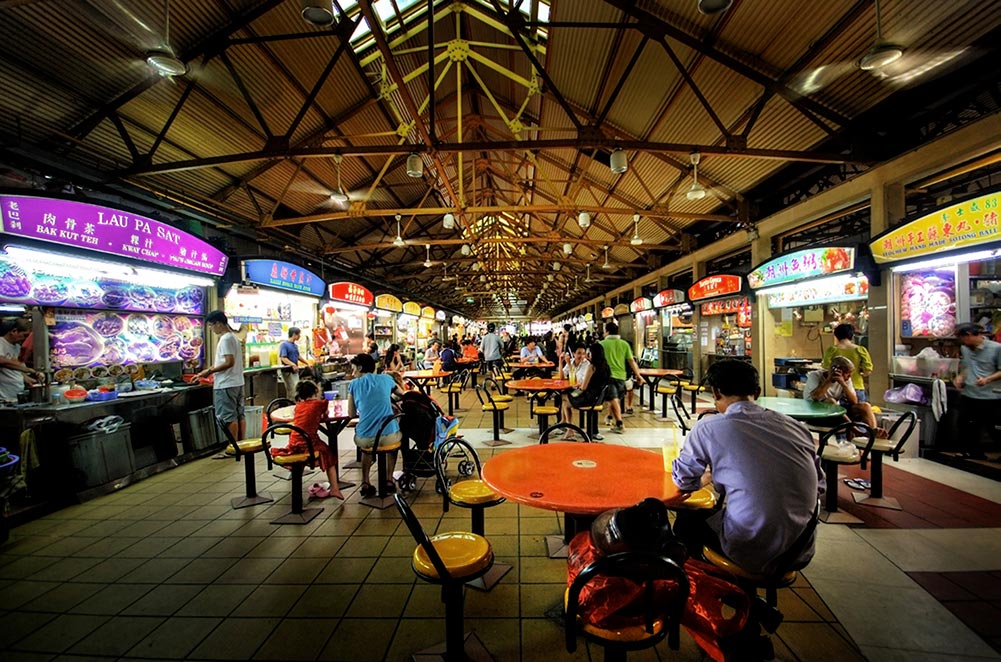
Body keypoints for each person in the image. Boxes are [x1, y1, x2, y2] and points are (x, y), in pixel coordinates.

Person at [665, 359, 823, 576]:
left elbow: (683, 481)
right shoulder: (796, 428)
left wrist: (707, 477)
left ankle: (700, 586)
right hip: (799, 550)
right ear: (757, 392)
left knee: (687, 521)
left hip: (751, 550)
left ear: (716, 393)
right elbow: (819, 486)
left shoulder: (709, 428)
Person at [270, 379, 343, 500]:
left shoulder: (298, 406)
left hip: (294, 442)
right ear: (316, 391)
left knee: (300, 461)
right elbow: (325, 414)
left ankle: (297, 491)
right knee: (330, 457)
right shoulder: (320, 403)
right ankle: (335, 489)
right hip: (309, 442)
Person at [348, 353, 405, 497]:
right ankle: (388, 479)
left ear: (360, 368)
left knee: (367, 449)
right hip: (389, 436)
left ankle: (365, 481)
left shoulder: (353, 385)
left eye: (353, 369)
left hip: (365, 438)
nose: (352, 372)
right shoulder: (386, 379)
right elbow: (402, 394)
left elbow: (351, 414)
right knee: (394, 445)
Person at [953, 323, 1001, 460]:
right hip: (969, 393)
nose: (962, 342)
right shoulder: (965, 349)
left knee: (993, 427)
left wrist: (987, 379)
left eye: (962, 338)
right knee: (966, 425)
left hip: (991, 396)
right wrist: (960, 377)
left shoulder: (997, 349)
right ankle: (972, 452)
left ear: (969, 335)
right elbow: (967, 367)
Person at [197, 311, 245, 442]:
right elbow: (223, 362)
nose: (211, 329)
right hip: (237, 382)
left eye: (211, 325)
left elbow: (229, 362)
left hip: (226, 384)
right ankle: (240, 444)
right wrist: (207, 371)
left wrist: (209, 372)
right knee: (239, 415)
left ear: (218, 323)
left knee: (228, 417)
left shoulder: (225, 339)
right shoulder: (233, 337)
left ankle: (232, 447)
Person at [803, 356, 881, 432]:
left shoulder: (846, 379)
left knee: (865, 406)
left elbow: (854, 401)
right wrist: (829, 380)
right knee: (831, 401)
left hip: (835, 412)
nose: (849, 376)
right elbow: (815, 397)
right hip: (815, 412)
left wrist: (843, 384)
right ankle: (857, 432)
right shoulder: (815, 376)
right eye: (847, 373)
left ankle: (873, 432)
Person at [599, 321, 645, 434]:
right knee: (614, 399)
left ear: (607, 331)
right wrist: (638, 375)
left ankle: (619, 423)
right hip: (621, 377)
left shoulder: (601, 344)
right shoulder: (624, 344)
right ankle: (610, 417)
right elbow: (631, 361)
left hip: (607, 376)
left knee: (613, 399)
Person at [822, 323, 873, 401]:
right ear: (852, 336)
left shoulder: (832, 350)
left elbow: (826, 367)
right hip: (857, 387)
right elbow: (868, 370)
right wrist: (860, 373)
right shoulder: (860, 350)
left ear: (836, 336)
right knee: (858, 412)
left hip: (836, 388)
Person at [0, 318, 40, 402]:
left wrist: (27, 378)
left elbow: (17, 369)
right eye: (25, 335)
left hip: (17, 395)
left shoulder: (17, 347)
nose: (25, 339)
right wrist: (28, 369)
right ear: (14, 331)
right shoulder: (1, 343)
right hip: (4, 398)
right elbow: (2, 361)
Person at [560, 344, 592, 438]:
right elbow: (562, 377)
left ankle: (569, 428)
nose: (581, 356)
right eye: (578, 353)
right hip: (575, 390)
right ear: (573, 354)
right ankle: (564, 421)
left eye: (583, 354)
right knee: (563, 395)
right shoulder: (572, 361)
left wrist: (569, 365)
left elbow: (577, 381)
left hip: (583, 392)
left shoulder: (587, 364)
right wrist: (560, 362)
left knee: (565, 400)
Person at [278, 327, 304, 398]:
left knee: (296, 389)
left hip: (295, 371)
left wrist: (306, 363)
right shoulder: (284, 345)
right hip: (287, 371)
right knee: (291, 390)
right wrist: (292, 364)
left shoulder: (295, 345)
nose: (299, 336)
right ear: (294, 334)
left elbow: (298, 356)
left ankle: (295, 405)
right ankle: (290, 404)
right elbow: (283, 358)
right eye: (298, 334)